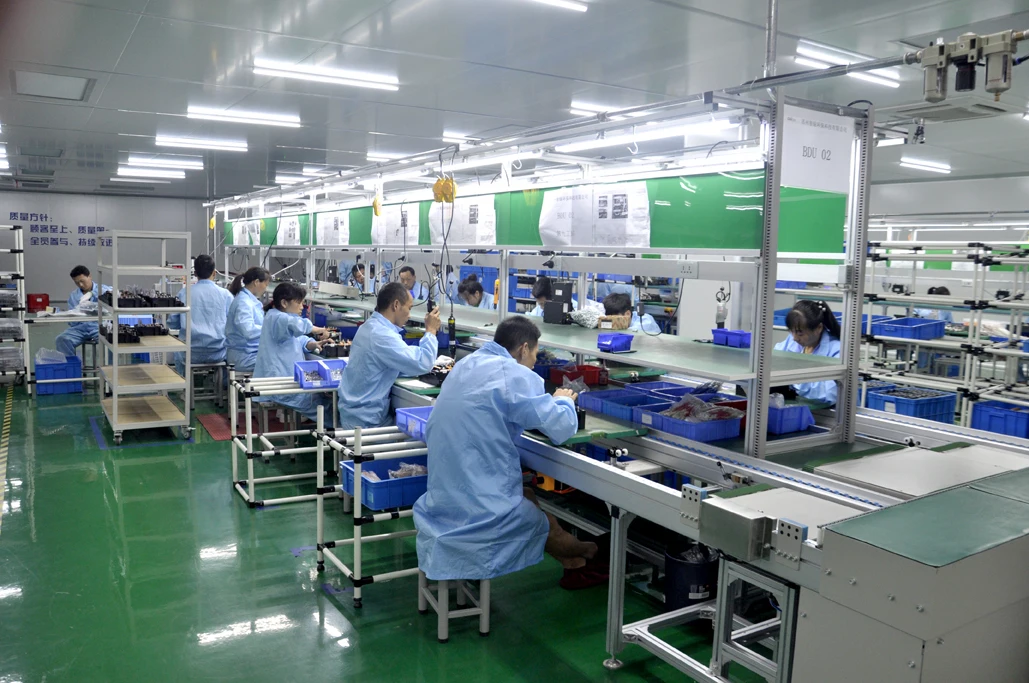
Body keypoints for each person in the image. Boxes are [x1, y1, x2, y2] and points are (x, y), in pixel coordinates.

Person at [414, 316, 604, 589]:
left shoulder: (467, 363)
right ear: (524, 348)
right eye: (535, 355)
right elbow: (560, 429)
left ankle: (574, 561)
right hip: (478, 508)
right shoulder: (514, 374)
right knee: (537, 519)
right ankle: (586, 551)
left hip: (445, 495)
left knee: (527, 495)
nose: (535, 363)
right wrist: (563, 401)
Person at [337, 283, 440, 429]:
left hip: (354, 412)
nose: (409, 315)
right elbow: (423, 362)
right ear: (396, 305)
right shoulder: (381, 335)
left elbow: (397, 359)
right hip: (365, 421)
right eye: (409, 308)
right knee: (418, 433)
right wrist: (431, 331)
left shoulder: (370, 326)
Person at [252, 282, 331, 421]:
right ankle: (334, 427)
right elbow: (297, 325)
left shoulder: (277, 317)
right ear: (284, 303)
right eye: (299, 302)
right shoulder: (277, 318)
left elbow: (296, 338)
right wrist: (319, 330)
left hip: (284, 376)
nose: (302, 307)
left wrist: (312, 344)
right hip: (280, 381)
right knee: (323, 404)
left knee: (322, 398)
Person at [170, 255, 233, 376]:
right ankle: (222, 385)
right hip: (218, 353)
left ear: (195, 273)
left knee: (178, 351)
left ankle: (183, 383)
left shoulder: (184, 293)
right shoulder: (226, 295)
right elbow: (233, 325)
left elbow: (173, 323)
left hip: (190, 353)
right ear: (214, 273)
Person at [774, 300, 841, 404]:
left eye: (800, 333)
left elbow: (829, 393)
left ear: (819, 328)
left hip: (828, 412)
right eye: (792, 331)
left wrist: (792, 379)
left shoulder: (837, 350)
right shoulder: (792, 341)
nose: (795, 338)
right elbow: (774, 359)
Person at [56, 266, 111, 358]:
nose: (80, 284)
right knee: (62, 339)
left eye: (82, 281)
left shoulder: (105, 290)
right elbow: (71, 320)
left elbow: (113, 306)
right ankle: (71, 366)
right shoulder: (74, 295)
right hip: (80, 329)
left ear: (90, 276)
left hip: (99, 328)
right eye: (77, 282)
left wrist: (96, 296)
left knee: (110, 340)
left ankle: (111, 366)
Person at [225, 267, 271, 373]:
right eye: (266, 284)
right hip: (244, 357)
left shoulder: (248, 300)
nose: (266, 289)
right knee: (279, 364)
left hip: (249, 353)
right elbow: (248, 330)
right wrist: (269, 329)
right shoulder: (243, 302)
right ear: (256, 282)